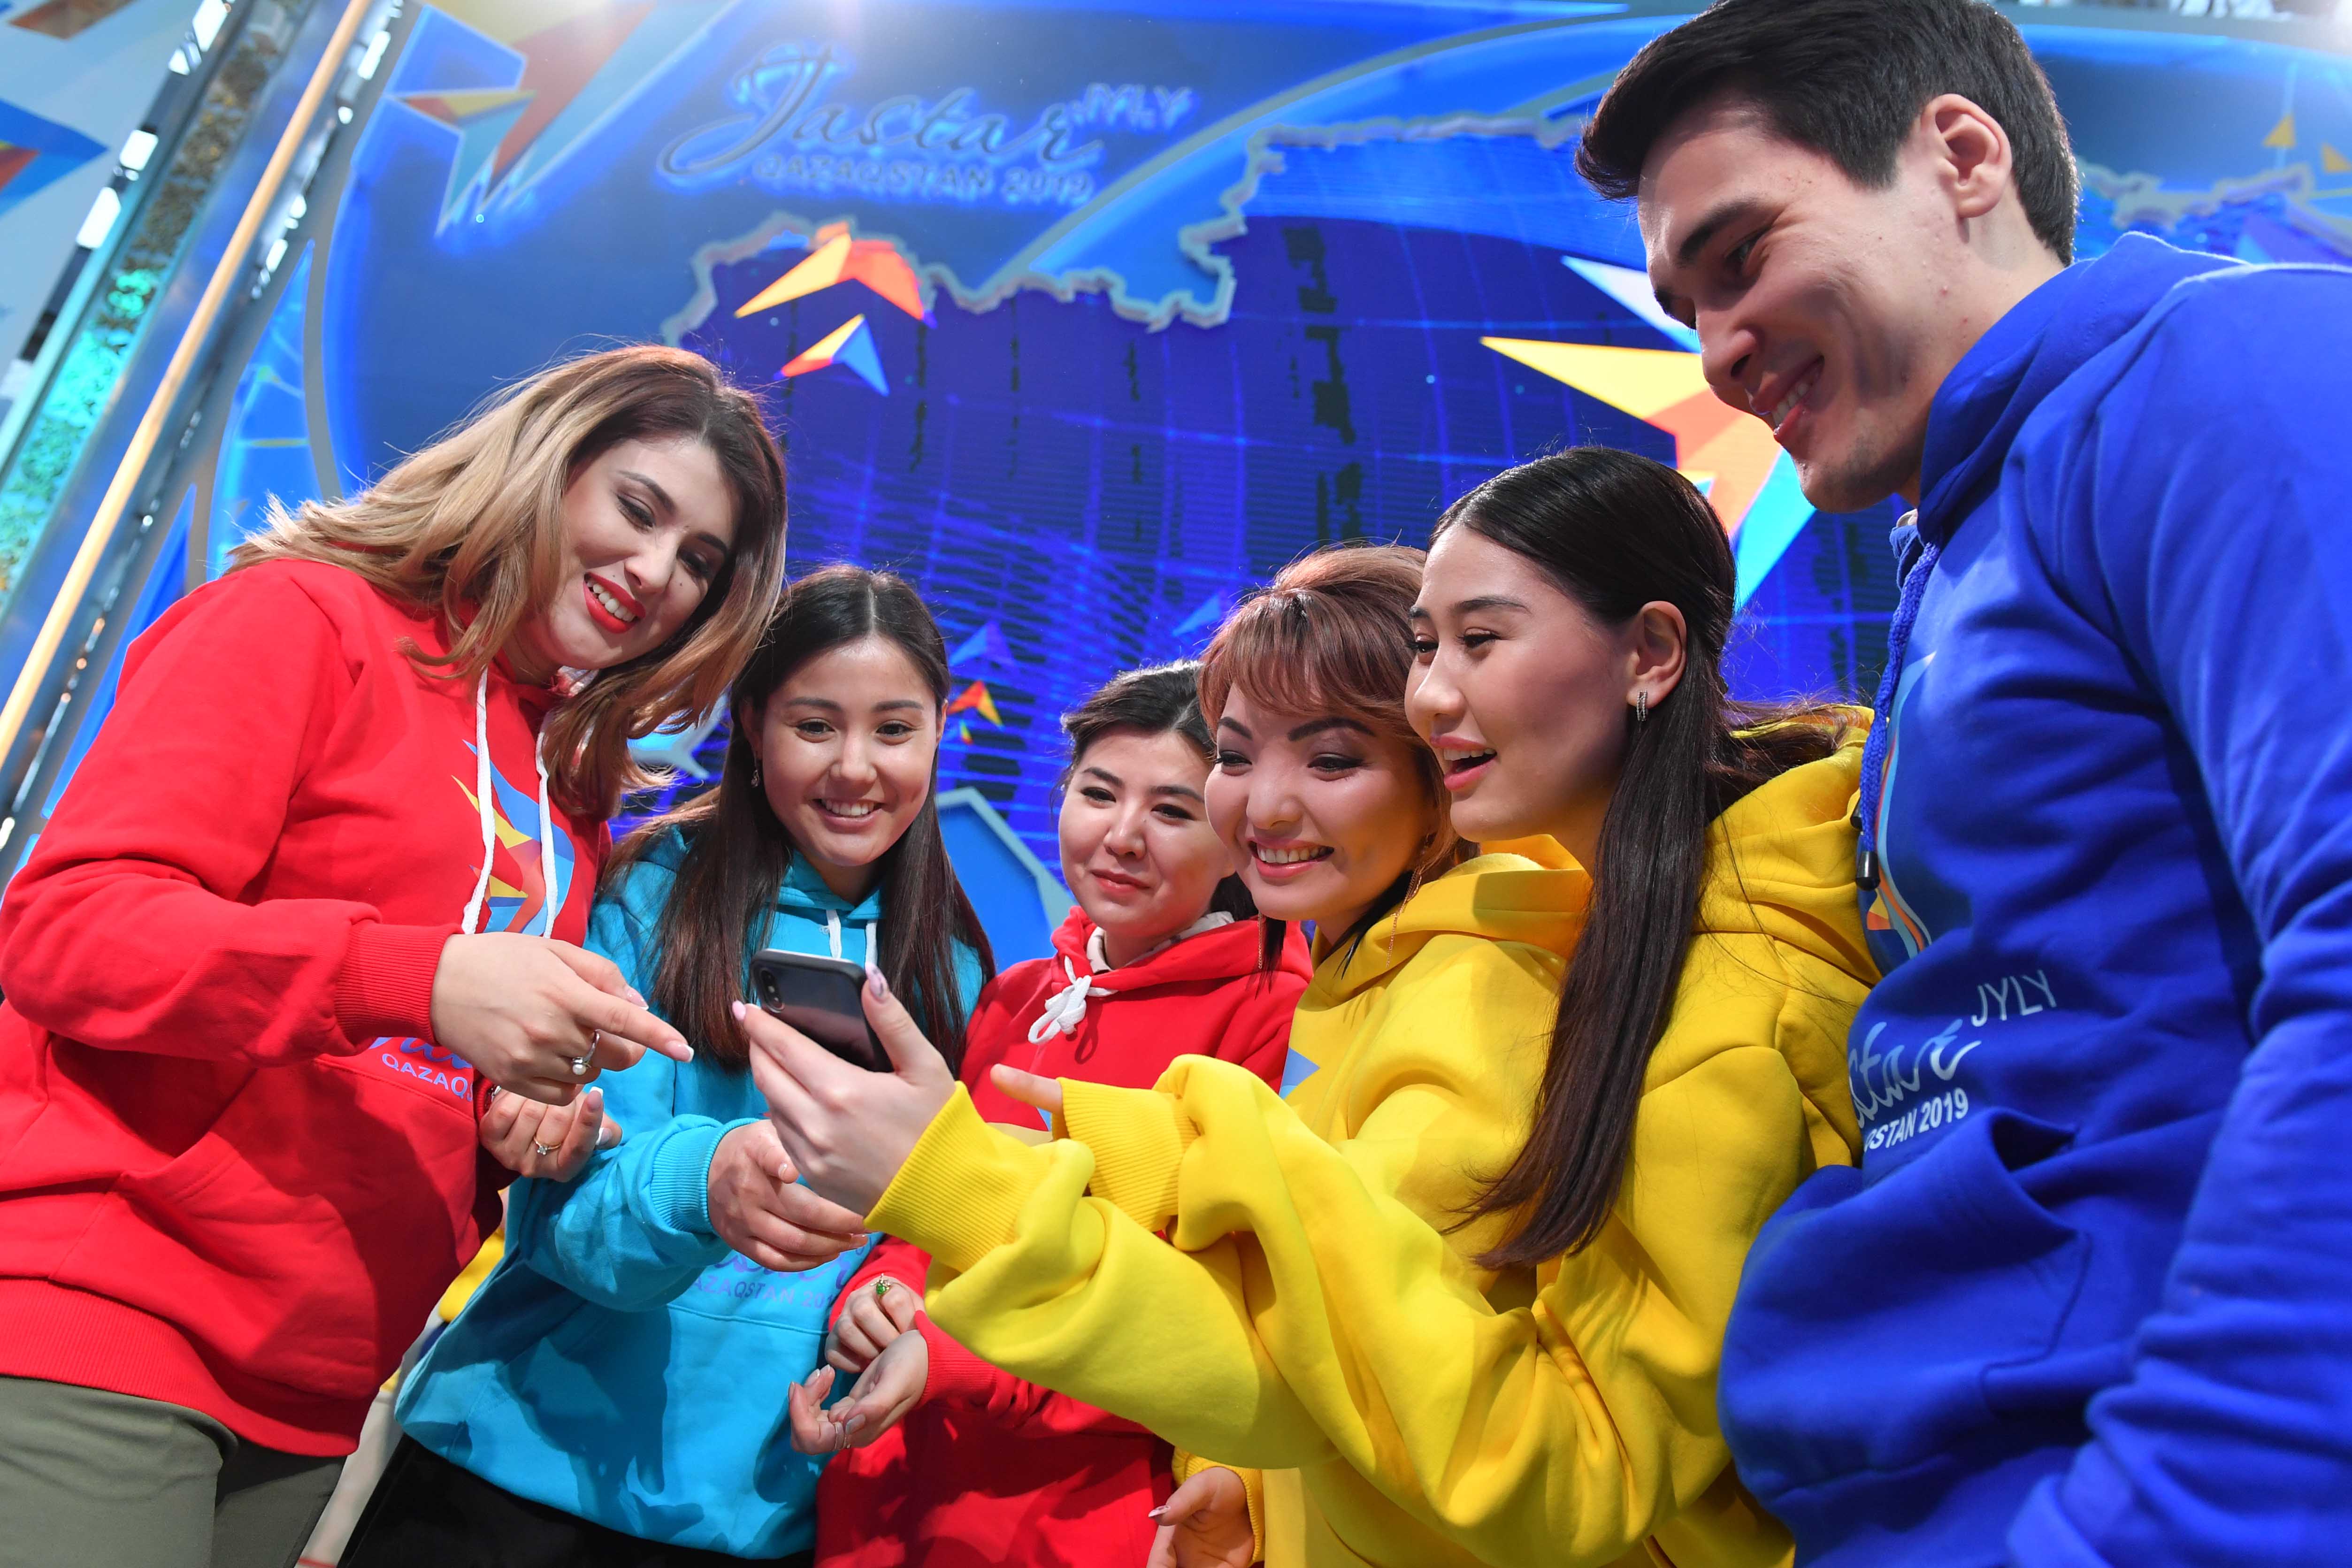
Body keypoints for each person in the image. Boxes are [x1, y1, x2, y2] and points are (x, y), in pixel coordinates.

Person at [1576, 1, 2352, 1564]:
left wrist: (2164, 1519)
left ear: (1960, 156)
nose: (1715, 350)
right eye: (1685, 306)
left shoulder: (2229, 366)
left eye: (1741, 254)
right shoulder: (1964, 536)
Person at [753, 490, 1873, 1568]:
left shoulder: (1481, 987)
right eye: (1236, 755)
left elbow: (1428, 1400)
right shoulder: (1371, 974)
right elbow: (1361, 1338)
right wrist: (1260, 1486)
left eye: (1332, 759)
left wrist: (963, 1184)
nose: (1265, 804)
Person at [0, 344, 786, 1568]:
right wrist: (414, 977)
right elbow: (69, 929)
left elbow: (416, 1058)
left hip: (318, 1385)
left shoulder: (568, 786)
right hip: (109, 1309)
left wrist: (520, 1118)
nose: (655, 573)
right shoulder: (304, 617)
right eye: (637, 509)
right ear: (544, 466)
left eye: (699, 561)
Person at [341, 565, 992, 1568]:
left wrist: (898, 1310)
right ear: (752, 723)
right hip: (513, 1468)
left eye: (895, 729)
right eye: (815, 725)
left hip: (756, 1514)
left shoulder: (955, 969)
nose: (856, 767)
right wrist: (707, 1183)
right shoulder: (653, 894)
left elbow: (933, 1234)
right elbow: (567, 1212)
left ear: (940, 731)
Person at [803, 662, 1313, 1568]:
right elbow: (926, 1211)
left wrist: (953, 1358)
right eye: (1100, 792)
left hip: (1084, 1509)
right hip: (904, 1480)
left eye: (1172, 810)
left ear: (1238, 833)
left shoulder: (1275, 1017)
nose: (1122, 836)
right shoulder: (1017, 994)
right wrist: (878, 1303)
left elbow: (1206, 1317)